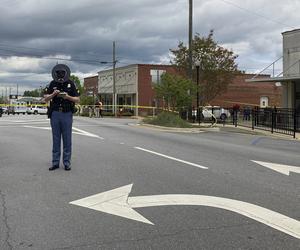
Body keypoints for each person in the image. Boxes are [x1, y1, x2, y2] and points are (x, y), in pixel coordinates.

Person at [43, 64, 80, 171]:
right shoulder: (52, 83)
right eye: (58, 72)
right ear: (55, 73)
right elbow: (45, 98)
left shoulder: (71, 83)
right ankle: (55, 162)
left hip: (67, 113)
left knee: (67, 139)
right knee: (56, 139)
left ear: (66, 73)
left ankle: (67, 163)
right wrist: (53, 94)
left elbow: (78, 99)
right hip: (55, 114)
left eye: (62, 72)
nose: (60, 74)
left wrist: (67, 97)